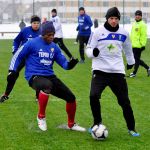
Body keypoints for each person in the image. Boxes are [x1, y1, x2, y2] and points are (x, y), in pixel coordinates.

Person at [8, 21, 86, 132]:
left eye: (53, 34)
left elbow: (64, 64)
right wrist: (12, 70)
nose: (51, 37)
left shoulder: (54, 47)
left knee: (71, 98)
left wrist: (70, 64)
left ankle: (71, 124)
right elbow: (18, 56)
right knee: (47, 86)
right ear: (43, 34)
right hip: (33, 76)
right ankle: (41, 116)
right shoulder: (32, 43)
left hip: (50, 76)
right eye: (49, 35)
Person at [86, 7, 140, 136]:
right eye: (111, 18)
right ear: (107, 18)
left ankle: (131, 128)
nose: (114, 21)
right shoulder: (97, 32)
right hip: (100, 70)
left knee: (124, 101)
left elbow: (127, 49)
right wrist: (92, 53)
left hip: (117, 72)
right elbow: (88, 48)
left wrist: (131, 61)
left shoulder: (124, 33)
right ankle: (96, 123)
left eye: (116, 19)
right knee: (93, 95)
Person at [0, 15, 41, 103]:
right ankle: (6, 95)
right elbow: (16, 40)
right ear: (31, 23)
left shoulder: (42, 32)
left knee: (38, 76)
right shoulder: (25, 30)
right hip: (22, 56)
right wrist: (14, 50)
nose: (36, 25)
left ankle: (38, 97)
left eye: (38, 23)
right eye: (34, 23)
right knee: (12, 75)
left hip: (34, 59)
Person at [129, 10, 150, 77]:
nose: (137, 16)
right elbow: (132, 34)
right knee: (136, 59)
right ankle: (148, 68)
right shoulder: (134, 24)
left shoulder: (142, 24)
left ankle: (134, 73)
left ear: (141, 16)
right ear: (135, 16)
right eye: (136, 15)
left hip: (138, 46)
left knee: (136, 60)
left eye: (139, 15)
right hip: (133, 45)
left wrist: (143, 45)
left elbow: (144, 35)